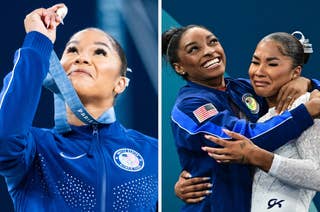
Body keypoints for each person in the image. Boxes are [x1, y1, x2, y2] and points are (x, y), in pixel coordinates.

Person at [0, 4, 157, 212]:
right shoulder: (36, 150)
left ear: (120, 83)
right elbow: (4, 138)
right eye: (72, 50)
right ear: (58, 70)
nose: (81, 58)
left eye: (100, 52)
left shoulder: (153, 152)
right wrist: (38, 42)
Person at [162, 25, 320, 212]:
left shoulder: (243, 88)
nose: (209, 51)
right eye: (194, 49)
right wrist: (305, 112)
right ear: (179, 67)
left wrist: (309, 83)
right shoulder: (189, 106)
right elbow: (244, 140)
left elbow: (280, 94)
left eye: (212, 42)